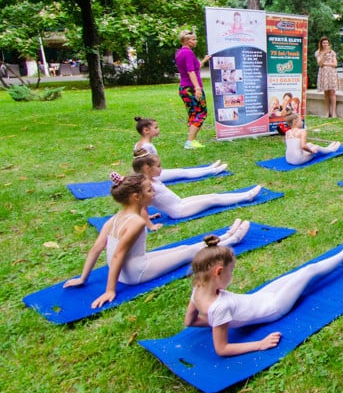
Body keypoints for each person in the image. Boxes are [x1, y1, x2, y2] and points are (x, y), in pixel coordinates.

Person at [64, 173, 250, 308]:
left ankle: (225, 235)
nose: (154, 193)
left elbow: (96, 249)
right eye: (149, 190)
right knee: (188, 253)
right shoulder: (136, 222)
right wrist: (110, 289)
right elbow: (117, 255)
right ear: (137, 197)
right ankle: (233, 239)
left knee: (183, 247)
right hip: (135, 273)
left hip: (131, 266)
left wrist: (83, 278)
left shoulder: (115, 217)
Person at [185, 232, 343, 356]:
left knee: (299, 274)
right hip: (274, 307)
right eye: (230, 272)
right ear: (218, 272)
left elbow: (190, 321)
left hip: (260, 297)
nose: (232, 276)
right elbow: (222, 349)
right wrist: (259, 344)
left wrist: (219, 324)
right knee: (309, 271)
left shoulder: (197, 290)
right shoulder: (219, 307)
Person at [132, 153, 263, 219]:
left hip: (180, 202)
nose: (161, 169)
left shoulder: (152, 179)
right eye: (158, 166)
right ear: (147, 169)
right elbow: (141, 204)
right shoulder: (147, 184)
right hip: (179, 211)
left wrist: (148, 217)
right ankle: (247, 196)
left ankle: (245, 195)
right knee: (213, 200)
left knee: (213, 195)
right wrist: (149, 223)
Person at [133, 117, 228, 181]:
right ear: (146, 130)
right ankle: (213, 171)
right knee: (184, 173)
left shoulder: (139, 144)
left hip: (152, 174)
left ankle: (209, 168)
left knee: (182, 171)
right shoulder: (147, 146)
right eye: (156, 128)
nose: (158, 129)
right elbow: (148, 165)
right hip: (153, 176)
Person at [175, 30, 210, 149]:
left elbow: (194, 68)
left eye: (195, 39)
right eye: (193, 39)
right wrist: (197, 88)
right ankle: (190, 141)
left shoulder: (180, 52)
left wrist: (204, 60)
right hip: (191, 88)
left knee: (193, 113)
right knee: (201, 112)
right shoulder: (188, 53)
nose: (195, 41)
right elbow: (190, 72)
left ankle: (192, 141)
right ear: (185, 41)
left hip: (184, 88)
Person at [315, 36, 338, 118]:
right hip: (323, 73)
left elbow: (335, 64)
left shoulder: (332, 52)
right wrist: (324, 54)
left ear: (328, 44)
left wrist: (326, 64)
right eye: (323, 43)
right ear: (321, 43)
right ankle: (327, 112)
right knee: (326, 92)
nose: (325, 44)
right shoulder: (318, 53)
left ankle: (334, 112)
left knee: (332, 91)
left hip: (331, 73)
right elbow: (320, 64)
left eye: (326, 43)